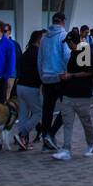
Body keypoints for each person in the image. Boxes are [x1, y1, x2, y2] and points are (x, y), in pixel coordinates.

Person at [52, 29, 93, 160]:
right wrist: (66, 76)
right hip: (68, 94)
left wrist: (71, 75)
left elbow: (89, 71)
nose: (67, 45)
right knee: (67, 122)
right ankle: (66, 149)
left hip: (82, 94)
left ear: (72, 41)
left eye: (68, 43)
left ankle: (91, 145)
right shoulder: (73, 53)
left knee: (86, 122)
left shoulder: (85, 51)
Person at [38, 11, 70, 151]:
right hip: (61, 77)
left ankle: (46, 140)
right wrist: (69, 73)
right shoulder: (63, 36)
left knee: (47, 110)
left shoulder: (44, 38)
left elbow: (39, 60)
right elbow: (67, 56)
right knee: (67, 108)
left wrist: (42, 77)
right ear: (62, 21)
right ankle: (50, 135)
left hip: (46, 78)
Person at [15, 30, 45, 151]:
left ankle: (23, 142)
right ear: (38, 39)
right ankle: (22, 134)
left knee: (23, 114)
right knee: (38, 112)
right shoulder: (38, 53)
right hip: (31, 87)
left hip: (20, 86)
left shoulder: (25, 53)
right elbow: (41, 71)